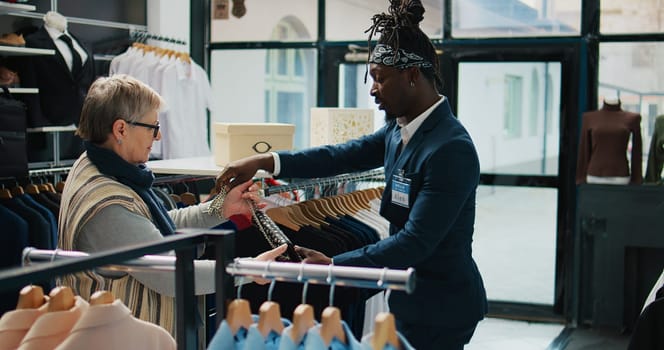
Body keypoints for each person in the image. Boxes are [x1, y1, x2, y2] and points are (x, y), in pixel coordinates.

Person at [216, 1, 487, 348]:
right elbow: (339, 156)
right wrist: (266, 161)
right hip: (408, 298)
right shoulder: (398, 129)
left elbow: (416, 241)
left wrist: (334, 263)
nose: (372, 89)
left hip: (442, 307)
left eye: (379, 78)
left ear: (412, 76)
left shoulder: (450, 148)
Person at [57, 74, 287, 336]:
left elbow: (149, 230)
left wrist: (221, 208)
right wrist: (247, 269)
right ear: (121, 129)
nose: (158, 136)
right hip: (124, 338)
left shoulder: (97, 166)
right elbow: (168, 274)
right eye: (153, 127)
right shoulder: (107, 201)